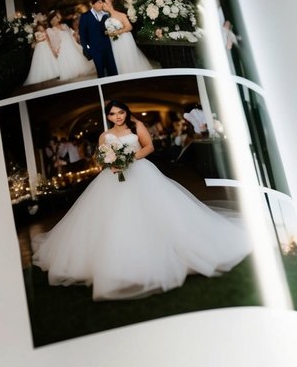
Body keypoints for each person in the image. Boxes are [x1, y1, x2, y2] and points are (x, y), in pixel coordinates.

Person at [32, 101, 251, 301]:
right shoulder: (104, 136)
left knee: (157, 209)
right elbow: (102, 158)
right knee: (114, 217)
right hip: (112, 179)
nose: (117, 116)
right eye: (113, 114)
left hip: (141, 172)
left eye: (120, 112)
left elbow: (149, 147)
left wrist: (129, 159)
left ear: (126, 113)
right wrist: (111, 164)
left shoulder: (136, 128)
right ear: (108, 117)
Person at [103, 0, 154, 74]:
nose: (103, 4)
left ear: (110, 4)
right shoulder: (107, 17)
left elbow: (129, 27)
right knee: (119, 59)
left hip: (124, 40)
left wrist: (117, 32)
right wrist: (108, 33)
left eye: (105, 3)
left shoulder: (121, 15)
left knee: (127, 58)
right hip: (115, 42)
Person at [46, 10, 96, 81]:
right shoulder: (53, 30)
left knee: (75, 55)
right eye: (55, 18)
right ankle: (72, 70)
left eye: (57, 17)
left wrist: (76, 35)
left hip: (71, 44)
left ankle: (79, 69)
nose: (57, 19)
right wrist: (57, 50)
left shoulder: (64, 25)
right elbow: (55, 41)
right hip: (63, 47)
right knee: (68, 58)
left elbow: (71, 33)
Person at [78, 0, 118, 78]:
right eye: (99, 2)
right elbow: (82, 34)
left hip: (108, 46)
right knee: (100, 71)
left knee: (112, 69)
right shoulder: (85, 16)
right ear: (92, 4)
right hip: (95, 48)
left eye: (102, 2)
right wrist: (86, 48)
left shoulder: (105, 15)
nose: (101, 4)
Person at [23, 16, 59, 86]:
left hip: (46, 46)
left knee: (48, 59)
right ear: (37, 28)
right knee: (41, 60)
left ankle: (53, 73)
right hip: (40, 47)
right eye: (39, 28)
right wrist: (42, 39)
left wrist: (51, 47)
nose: (40, 28)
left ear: (43, 27)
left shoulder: (45, 32)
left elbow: (48, 40)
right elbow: (37, 39)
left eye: (41, 27)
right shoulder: (36, 33)